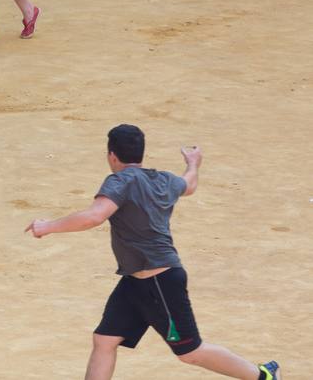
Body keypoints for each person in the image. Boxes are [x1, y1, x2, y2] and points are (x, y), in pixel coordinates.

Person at [25, 125, 282, 380]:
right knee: (104, 339)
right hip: (135, 281)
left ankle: (262, 376)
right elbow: (189, 185)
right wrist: (193, 164)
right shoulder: (163, 180)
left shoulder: (120, 181)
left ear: (112, 155)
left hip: (160, 281)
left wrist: (47, 226)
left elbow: (94, 216)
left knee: (190, 352)